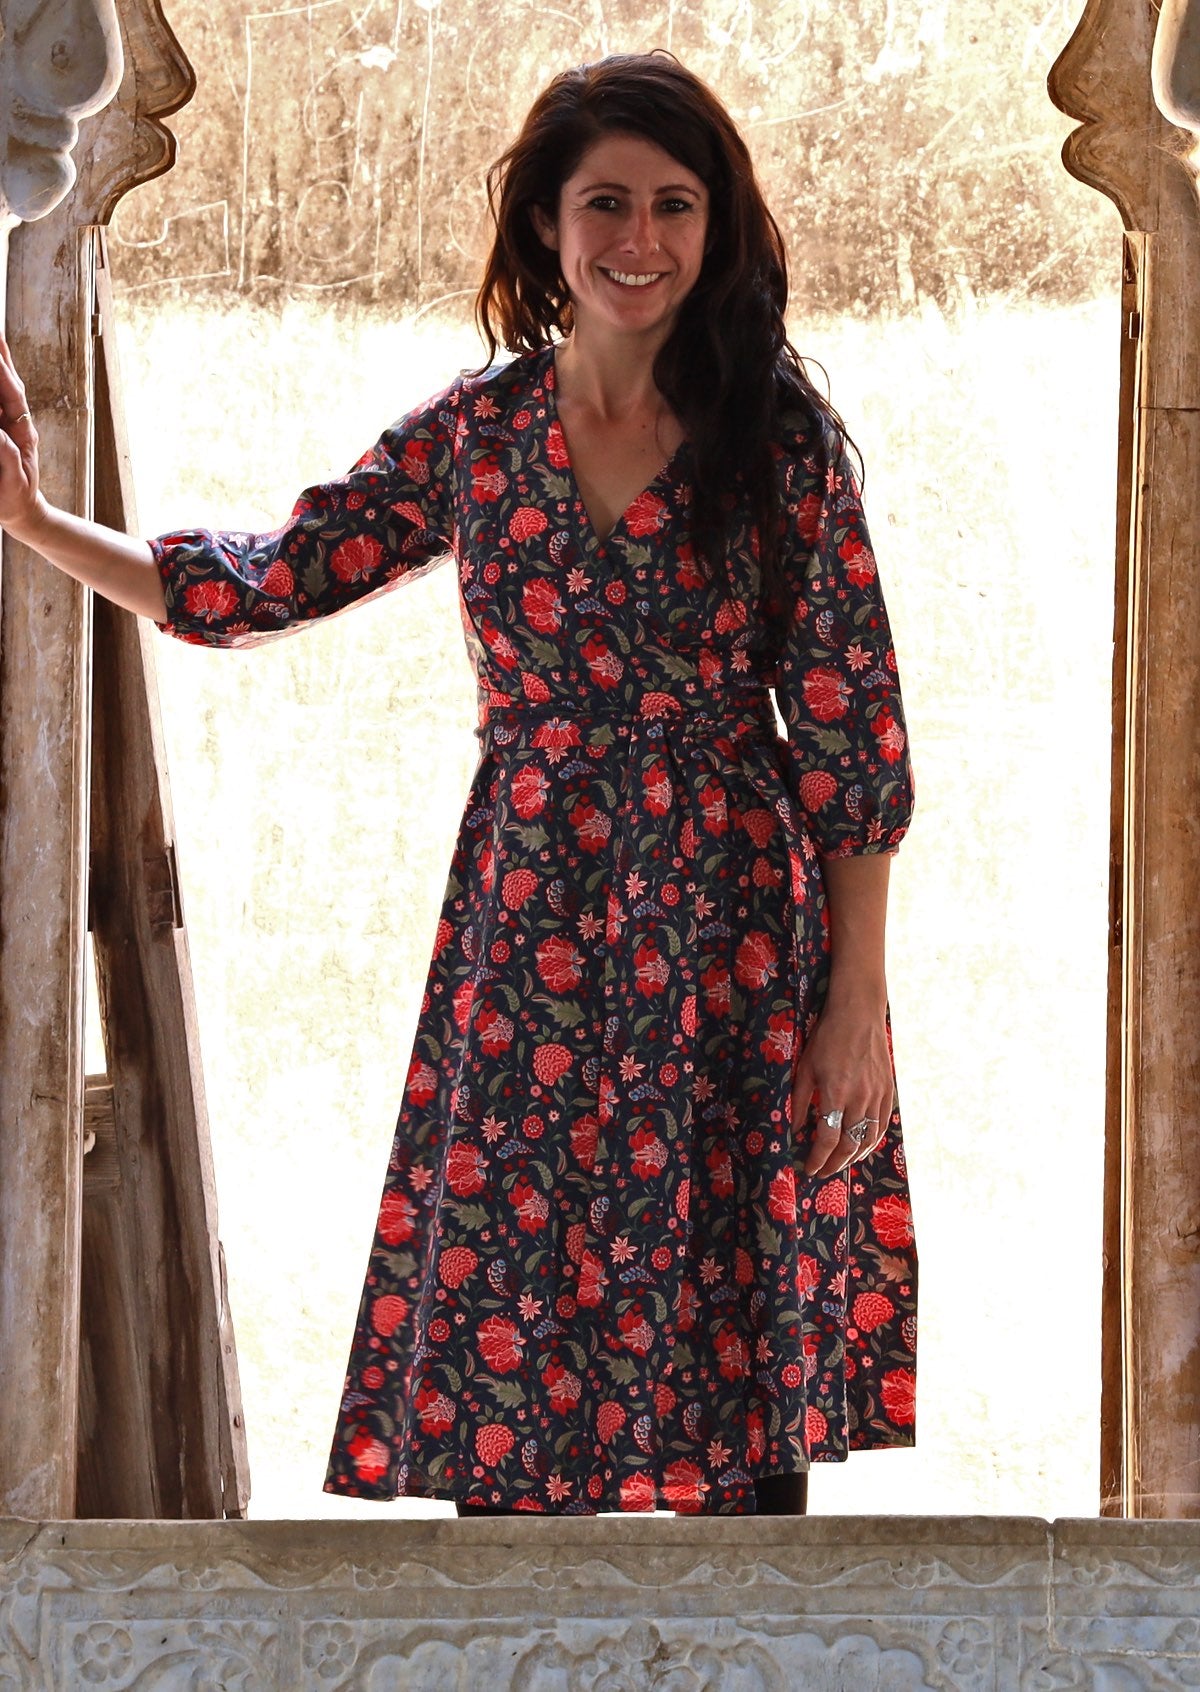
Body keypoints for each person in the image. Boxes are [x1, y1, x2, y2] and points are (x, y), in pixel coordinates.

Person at [0, 50, 916, 1517]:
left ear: (715, 226)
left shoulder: (781, 445)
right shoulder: (479, 437)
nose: (639, 240)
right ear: (546, 228)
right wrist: (35, 522)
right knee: (514, 1344)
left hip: (735, 939)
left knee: (737, 1363)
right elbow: (265, 582)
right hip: (533, 935)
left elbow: (855, 740)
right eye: (604, 203)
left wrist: (854, 1002)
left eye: (675, 205)